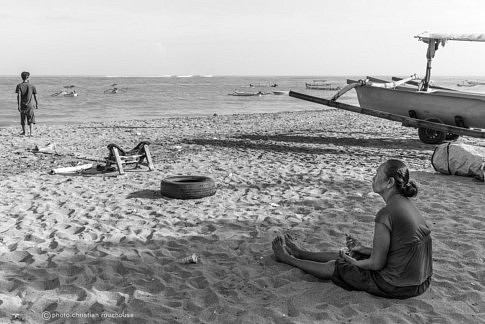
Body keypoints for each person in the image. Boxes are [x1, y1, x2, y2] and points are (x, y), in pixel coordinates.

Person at [272, 159, 432, 299]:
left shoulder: (386, 214)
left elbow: (376, 264)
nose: (373, 177)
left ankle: (288, 259)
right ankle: (300, 253)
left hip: (396, 285)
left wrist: (353, 262)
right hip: (421, 281)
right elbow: (400, 250)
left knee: (336, 265)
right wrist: (362, 249)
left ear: (389, 182)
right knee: (352, 254)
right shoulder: (407, 204)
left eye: (377, 174)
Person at [15, 71, 38, 136]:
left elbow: (18, 96)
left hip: (22, 105)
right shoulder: (32, 85)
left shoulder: (19, 85)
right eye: (29, 77)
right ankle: (31, 132)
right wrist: (37, 103)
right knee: (31, 118)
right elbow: (35, 95)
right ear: (27, 77)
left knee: (23, 119)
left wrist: (18, 105)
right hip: (30, 105)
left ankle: (24, 132)